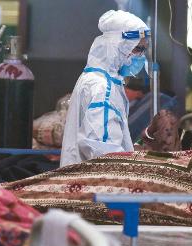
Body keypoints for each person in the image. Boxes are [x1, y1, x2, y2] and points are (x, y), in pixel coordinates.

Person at [60, 10, 151, 166]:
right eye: (137, 49)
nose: (141, 57)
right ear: (117, 46)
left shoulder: (93, 78)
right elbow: (105, 153)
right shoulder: (103, 88)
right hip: (96, 185)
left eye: (143, 50)